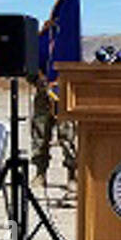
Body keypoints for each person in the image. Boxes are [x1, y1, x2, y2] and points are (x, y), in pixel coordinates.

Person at [30, 74, 77, 204]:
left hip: (64, 93)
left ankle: (72, 175)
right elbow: (31, 66)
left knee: (67, 137)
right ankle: (40, 173)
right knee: (40, 134)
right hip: (43, 94)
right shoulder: (39, 51)